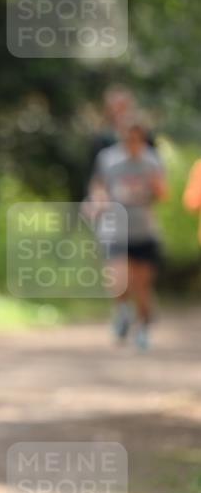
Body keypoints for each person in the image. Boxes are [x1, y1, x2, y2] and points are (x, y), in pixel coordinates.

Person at [88, 123, 168, 350]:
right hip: (115, 228)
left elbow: (163, 193)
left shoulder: (152, 160)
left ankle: (143, 330)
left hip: (144, 230)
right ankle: (123, 312)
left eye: (137, 139)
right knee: (117, 280)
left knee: (142, 286)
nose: (132, 144)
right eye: (128, 139)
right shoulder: (108, 159)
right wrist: (98, 201)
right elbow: (98, 186)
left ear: (142, 139)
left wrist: (156, 185)